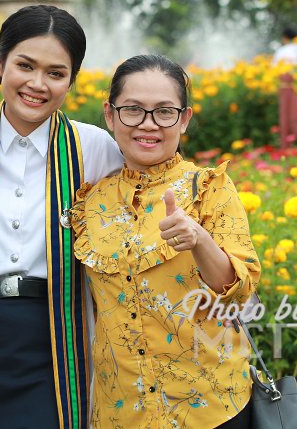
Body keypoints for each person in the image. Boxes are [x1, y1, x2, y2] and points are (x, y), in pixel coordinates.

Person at [0, 5, 124, 429]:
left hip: (61, 336)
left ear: (71, 80)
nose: (36, 84)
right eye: (24, 66)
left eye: (55, 73)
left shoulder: (96, 148)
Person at [71, 54, 261, 428]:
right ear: (110, 115)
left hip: (209, 408)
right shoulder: (90, 203)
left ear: (184, 119)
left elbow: (239, 291)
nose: (148, 124)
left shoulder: (208, 188)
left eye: (164, 112)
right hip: (122, 411)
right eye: (133, 110)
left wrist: (200, 240)